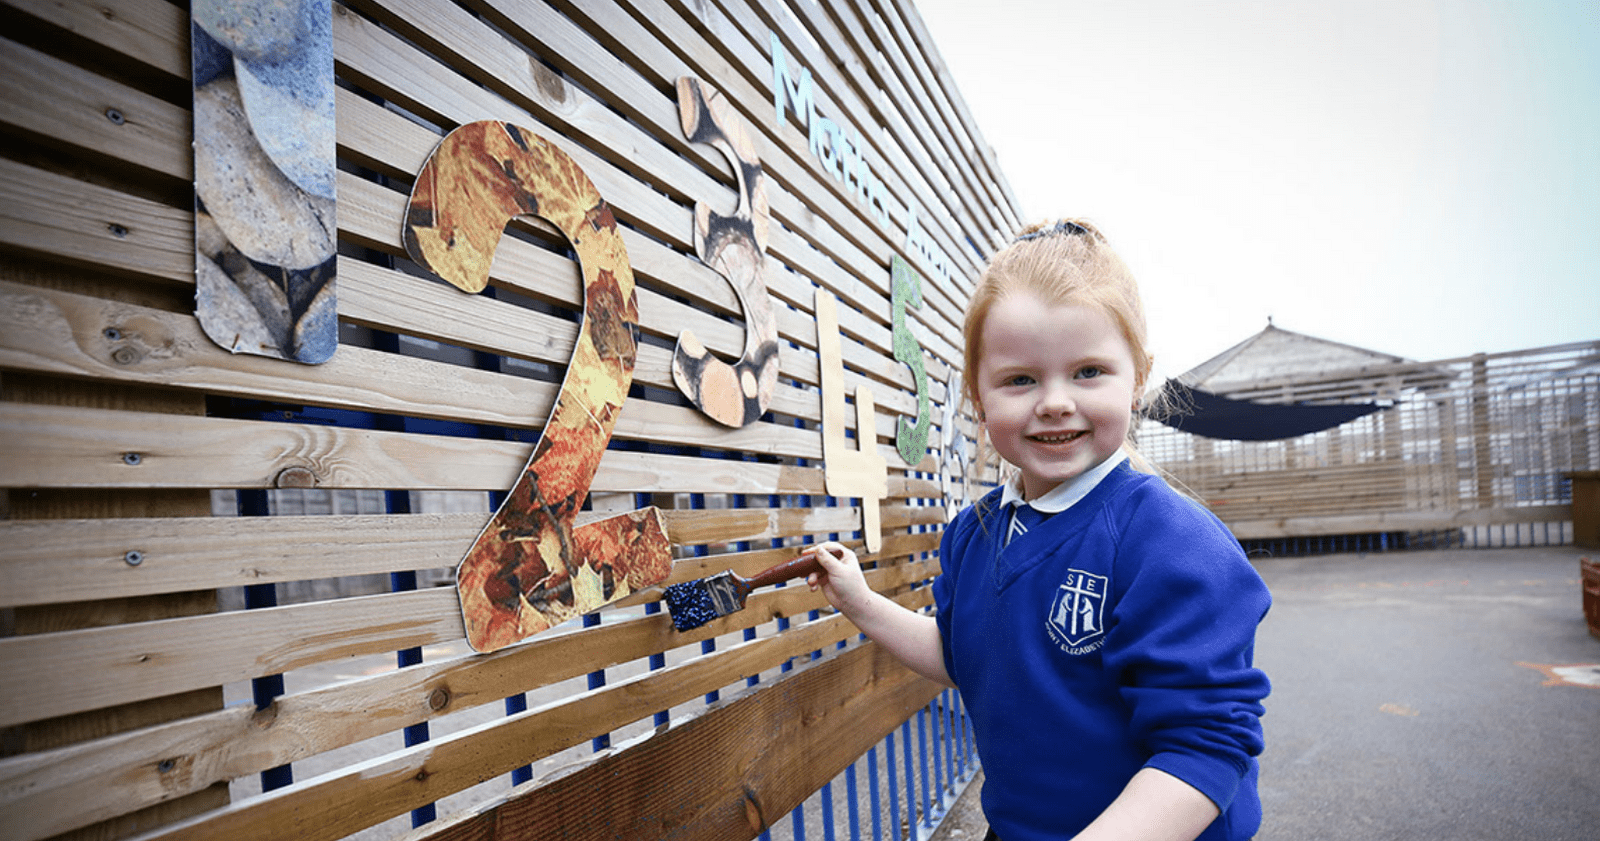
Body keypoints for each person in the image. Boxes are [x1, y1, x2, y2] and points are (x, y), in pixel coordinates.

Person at [802, 219, 1271, 841]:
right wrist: (860, 602)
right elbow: (967, 656)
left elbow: (1204, 749)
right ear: (978, 395)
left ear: (1138, 379)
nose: (1054, 401)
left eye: (1088, 372)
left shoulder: (1173, 542)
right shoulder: (976, 533)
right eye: (1020, 379)